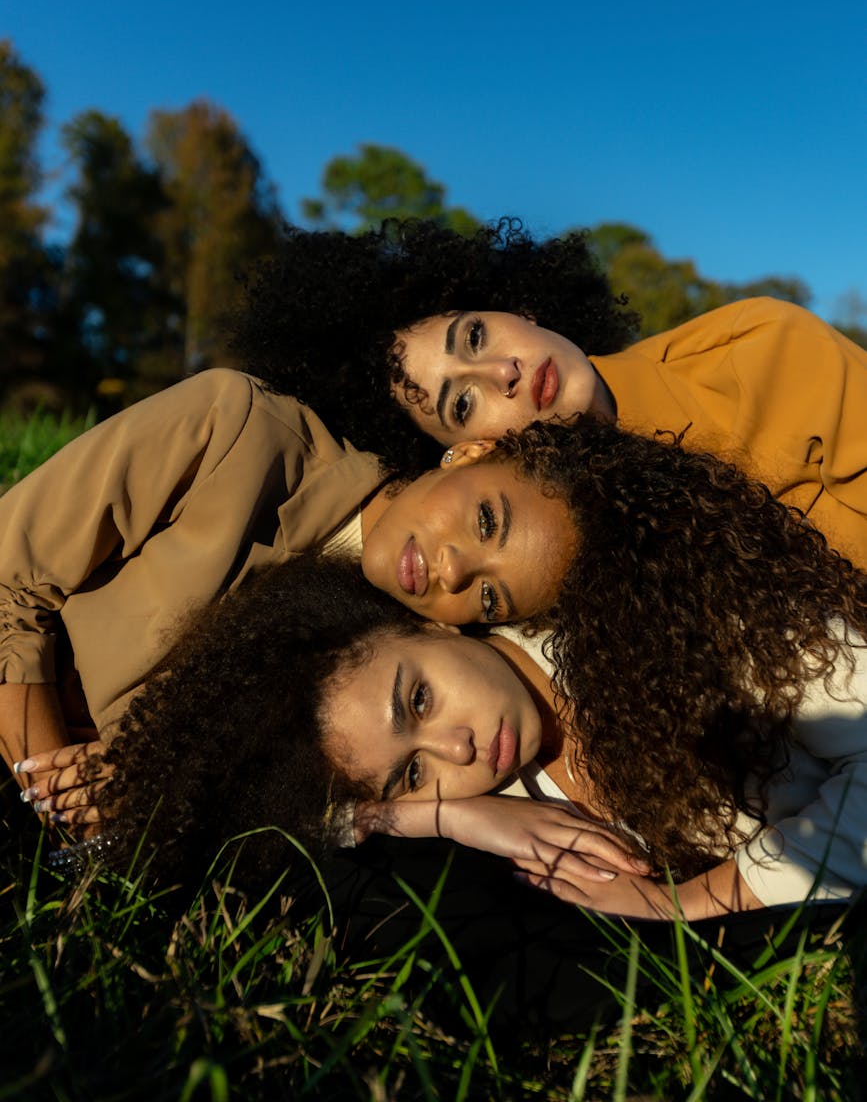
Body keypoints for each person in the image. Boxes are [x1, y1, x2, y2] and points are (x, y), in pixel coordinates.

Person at [33, 404, 867, 917]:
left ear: (435, 629)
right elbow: (263, 827)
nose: (457, 753)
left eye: (420, 704)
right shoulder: (491, 796)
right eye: (411, 773)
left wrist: (689, 904)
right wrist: (438, 816)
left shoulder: (686, 623)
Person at [0, 370, 577, 780]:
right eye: (484, 521)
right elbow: (9, 574)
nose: (452, 570)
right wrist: (51, 791)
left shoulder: (396, 677)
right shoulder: (238, 428)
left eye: (488, 597)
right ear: (470, 454)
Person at [233, 220, 867, 568]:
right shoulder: (532, 563)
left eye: (474, 335)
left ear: (521, 309)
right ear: (470, 452)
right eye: (461, 403)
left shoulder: (761, 346)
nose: (499, 374)